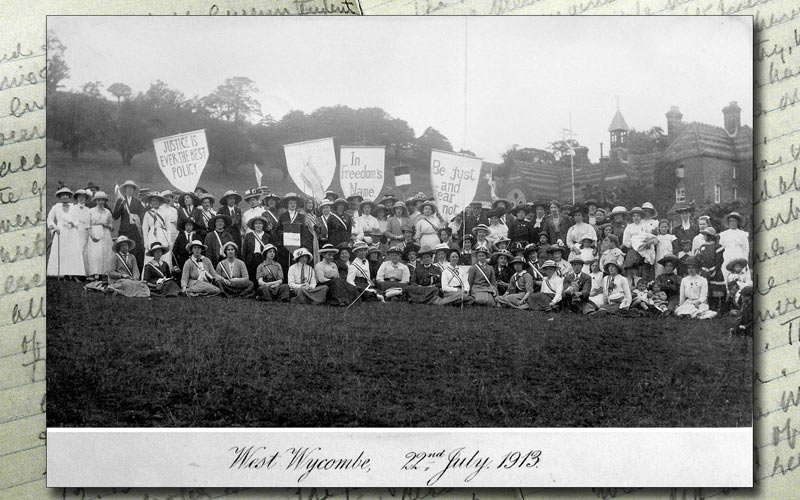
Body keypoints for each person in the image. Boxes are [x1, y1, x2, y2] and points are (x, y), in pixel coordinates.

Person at [47, 186, 83, 277]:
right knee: (61, 251)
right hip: (61, 232)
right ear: (59, 197)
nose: (65, 197)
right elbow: (50, 220)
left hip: (72, 232)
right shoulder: (56, 207)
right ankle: (59, 272)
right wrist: (55, 228)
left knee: (72, 251)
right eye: (62, 195)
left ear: (69, 196)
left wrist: (73, 224)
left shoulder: (73, 207)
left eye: (66, 195)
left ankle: (73, 273)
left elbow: (78, 220)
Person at [112, 180, 146, 268]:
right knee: (123, 251)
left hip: (135, 232)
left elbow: (142, 218)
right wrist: (120, 206)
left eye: (131, 188)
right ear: (125, 189)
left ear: (134, 190)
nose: (129, 190)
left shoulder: (138, 202)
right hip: (124, 231)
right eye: (128, 188)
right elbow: (115, 216)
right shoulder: (121, 201)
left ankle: (136, 272)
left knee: (135, 252)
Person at [622, 206, 658, 284]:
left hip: (645, 248)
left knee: (645, 269)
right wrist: (634, 243)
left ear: (641, 216)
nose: (636, 218)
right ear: (632, 217)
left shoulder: (646, 225)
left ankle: (646, 286)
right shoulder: (629, 227)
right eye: (634, 216)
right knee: (633, 269)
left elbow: (653, 237)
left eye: (638, 216)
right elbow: (625, 241)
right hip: (633, 250)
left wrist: (648, 242)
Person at [696, 226, 726, 312]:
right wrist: (703, 269)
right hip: (705, 271)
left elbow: (719, 260)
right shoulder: (702, 247)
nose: (703, 237)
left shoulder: (717, 246)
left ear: (709, 236)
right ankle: (710, 307)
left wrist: (714, 269)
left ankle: (719, 308)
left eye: (705, 235)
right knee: (707, 290)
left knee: (716, 290)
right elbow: (700, 259)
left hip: (715, 272)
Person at [85, 190, 113, 281]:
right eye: (99, 200)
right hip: (94, 233)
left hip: (105, 234)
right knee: (95, 254)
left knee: (106, 253)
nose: (101, 202)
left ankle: (104, 274)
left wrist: (106, 225)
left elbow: (111, 226)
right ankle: (94, 274)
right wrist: (92, 236)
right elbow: (87, 226)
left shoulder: (107, 212)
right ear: (95, 201)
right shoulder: (91, 211)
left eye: (103, 200)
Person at [141, 192, 172, 266]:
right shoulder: (148, 213)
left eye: (157, 200)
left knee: (164, 254)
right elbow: (145, 229)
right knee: (152, 253)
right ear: (151, 202)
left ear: (160, 202)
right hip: (152, 235)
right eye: (153, 201)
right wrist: (146, 242)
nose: (155, 202)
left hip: (162, 235)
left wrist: (169, 240)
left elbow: (168, 227)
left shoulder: (165, 212)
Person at [718, 211, 749, 281]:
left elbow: (746, 250)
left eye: (734, 221)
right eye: (730, 221)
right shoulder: (724, 234)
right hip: (727, 256)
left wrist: (746, 262)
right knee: (727, 275)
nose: (732, 223)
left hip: (738, 255)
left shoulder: (742, 234)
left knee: (740, 276)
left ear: (738, 222)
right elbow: (720, 248)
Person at [242, 216, 270, 288]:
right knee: (252, 275)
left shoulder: (267, 236)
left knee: (262, 275)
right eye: (256, 223)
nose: (258, 225)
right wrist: (244, 261)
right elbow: (244, 250)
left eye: (260, 223)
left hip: (262, 259)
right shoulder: (249, 235)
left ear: (263, 225)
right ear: (253, 225)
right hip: (251, 259)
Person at [69, 189, 92, 275]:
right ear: (77, 198)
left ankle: (84, 272)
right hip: (75, 230)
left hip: (85, 231)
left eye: (84, 197)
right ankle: (75, 272)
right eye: (80, 197)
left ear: (86, 198)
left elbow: (89, 222)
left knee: (85, 251)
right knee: (77, 250)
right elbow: (70, 219)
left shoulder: (88, 210)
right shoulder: (73, 208)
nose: (82, 199)